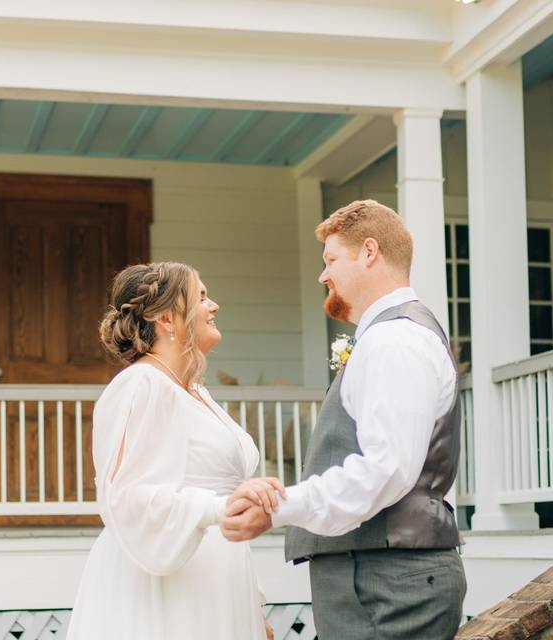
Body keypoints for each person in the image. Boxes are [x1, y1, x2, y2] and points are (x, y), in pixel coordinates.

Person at [221, 200, 467, 639]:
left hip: (389, 585)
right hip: (381, 579)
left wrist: (281, 507)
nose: (323, 275)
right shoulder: (388, 336)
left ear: (369, 252)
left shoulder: (395, 341)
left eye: (331, 259)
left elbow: (386, 468)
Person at [66, 261, 284, 640]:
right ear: (168, 319)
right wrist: (218, 508)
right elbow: (128, 497)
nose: (213, 305)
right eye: (201, 297)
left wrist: (253, 603)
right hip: (167, 585)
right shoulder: (141, 386)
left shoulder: (198, 392)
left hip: (220, 576)